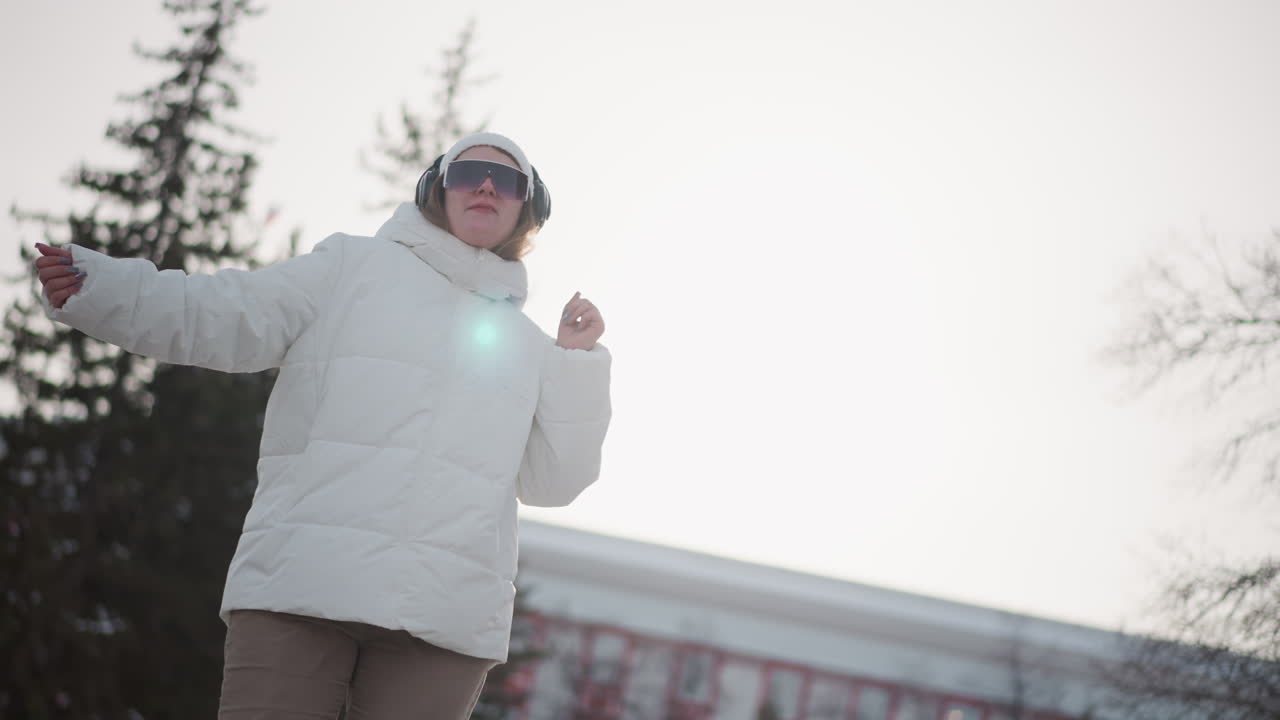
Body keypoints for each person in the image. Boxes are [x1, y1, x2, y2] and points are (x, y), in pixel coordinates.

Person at [33, 132, 611, 720]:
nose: (486, 185)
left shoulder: (536, 351)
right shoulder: (349, 268)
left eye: (507, 180)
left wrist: (577, 365)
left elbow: (554, 480)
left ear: (526, 208)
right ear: (436, 190)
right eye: (468, 174)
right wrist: (105, 290)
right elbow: (225, 311)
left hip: (441, 620)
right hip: (301, 582)